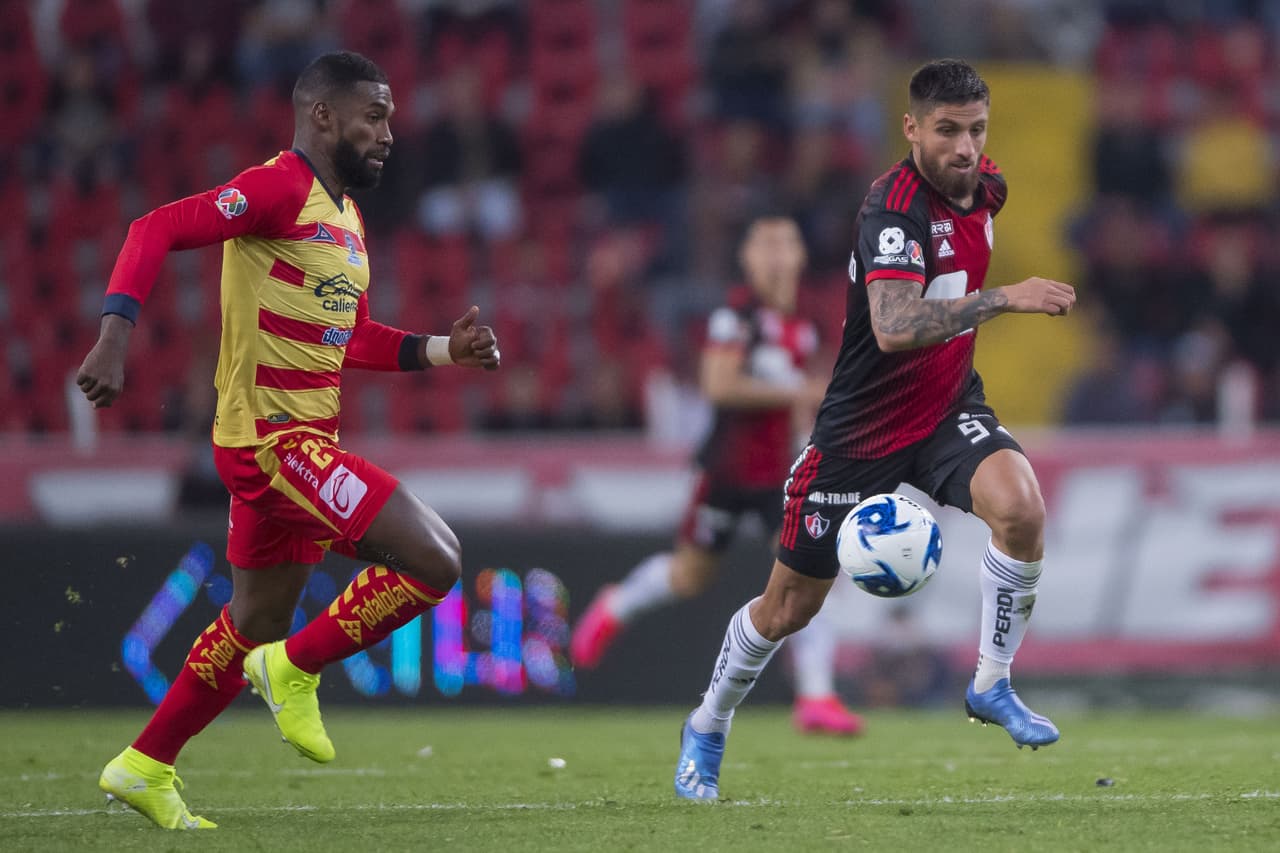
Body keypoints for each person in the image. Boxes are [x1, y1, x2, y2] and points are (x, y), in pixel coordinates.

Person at [77, 51, 500, 830]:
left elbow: (354, 336)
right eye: (374, 116)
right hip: (273, 445)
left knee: (255, 619)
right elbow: (156, 226)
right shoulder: (276, 188)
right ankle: (296, 668)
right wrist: (114, 335)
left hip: (295, 445)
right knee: (436, 559)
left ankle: (143, 763)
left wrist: (445, 349)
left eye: (392, 119)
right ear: (322, 116)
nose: (388, 133)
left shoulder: (345, 219)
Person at [673, 59, 1076, 801]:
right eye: (947, 130)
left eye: (976, 130)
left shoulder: (989, 186)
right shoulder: (891, 210)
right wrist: (1005, 298)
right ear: (912, 128)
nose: (964, 147)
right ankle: (708, 721)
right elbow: (892, 328)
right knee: (789, 606)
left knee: (1021, 509)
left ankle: (992, 683)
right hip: (861, 427)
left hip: (948, 406)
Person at [571, 215, 863, 735]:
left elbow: (799, 406)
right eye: (764, 245)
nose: (776, 256)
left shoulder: (803, 325)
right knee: (691, 576)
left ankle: (817, 697)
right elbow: (719, 385)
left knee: (811, 574)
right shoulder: (737, 316)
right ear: (748, 260)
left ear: (799, 257)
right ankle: (615, 604)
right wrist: (799, 392)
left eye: (785, 244)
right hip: (729, 471)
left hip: (781, 476)